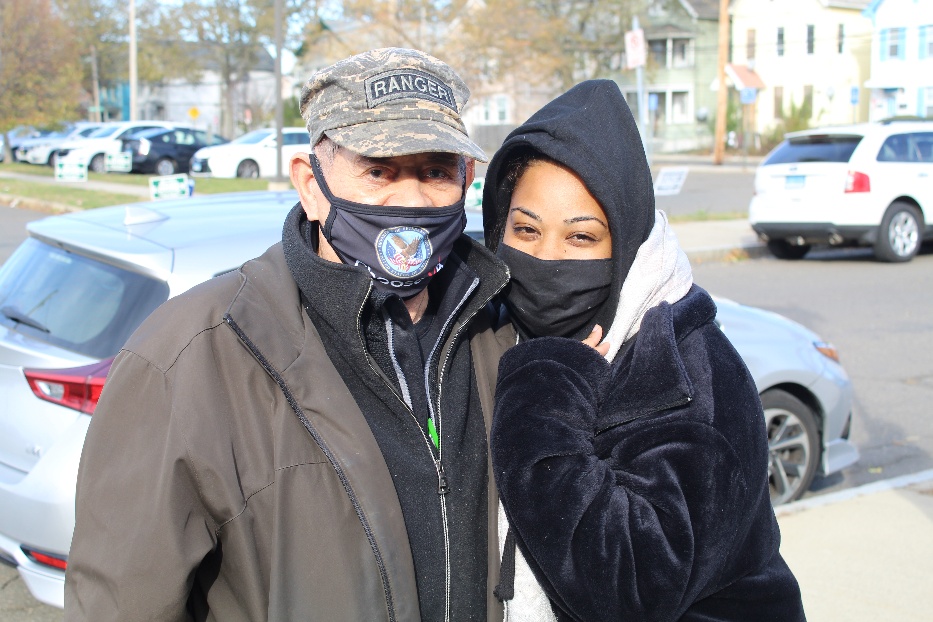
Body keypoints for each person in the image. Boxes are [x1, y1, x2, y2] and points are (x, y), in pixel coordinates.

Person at [65, 48, 514, 621]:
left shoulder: (497, 331)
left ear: (466, 179)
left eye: (434, 172)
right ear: (311, 184)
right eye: (378, 170)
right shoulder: (190, 357)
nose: (410, 200)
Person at [482, 80, 806, 621]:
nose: (546, 256)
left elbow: (628, 587)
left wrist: (542, 403)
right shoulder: (497, 326)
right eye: (525, 229)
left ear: (627, 244)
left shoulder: (690, 373)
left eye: (581, 237)